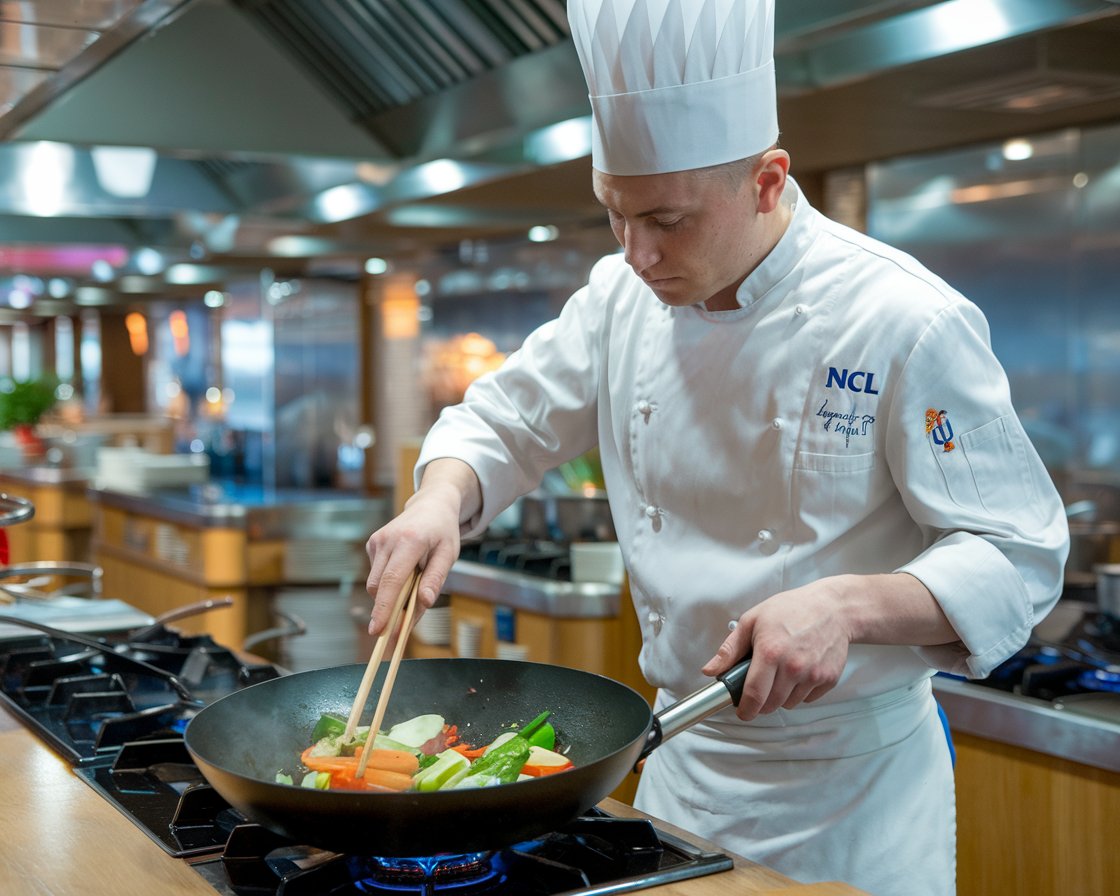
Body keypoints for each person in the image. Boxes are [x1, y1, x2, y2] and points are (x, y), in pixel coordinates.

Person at [364, 1, 1069, 893]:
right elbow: (505, 420)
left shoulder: (903, 319)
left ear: (768, 180)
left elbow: (1020, 554)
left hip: (850, 794)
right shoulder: (620, 298)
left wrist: (847, 607)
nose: (638, 253)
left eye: (668, 220)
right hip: (681, 765)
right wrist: (438, 499)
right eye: (614, 215)